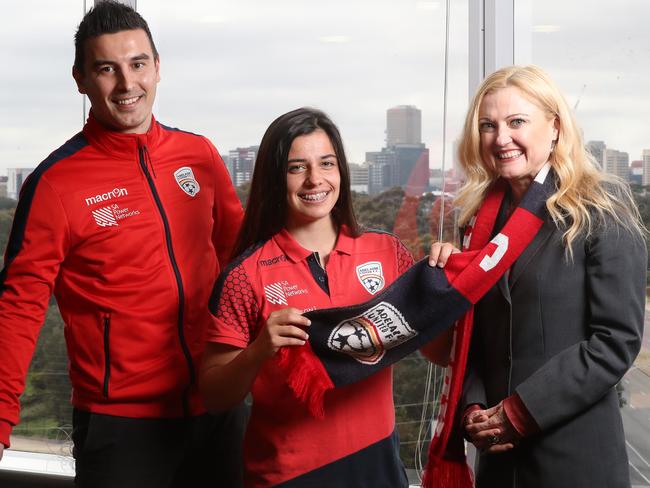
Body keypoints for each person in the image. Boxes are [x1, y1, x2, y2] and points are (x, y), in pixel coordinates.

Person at [0, 2, 246, 487]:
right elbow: (19, 305)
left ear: (158, 67)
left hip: (219, 407)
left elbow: (245, 260)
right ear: (81, 79)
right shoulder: (55, 183)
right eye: (106, 69)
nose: (127, 84)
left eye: (137, 64)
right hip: (121, 425)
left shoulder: (198, 155)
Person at [438, 64, 645, 487]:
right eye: (488, 126)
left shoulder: (603, 214)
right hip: (497, 463)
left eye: (517, 122)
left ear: (554, 126)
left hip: (576, 459)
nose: (501, 138)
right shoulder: (478, 224)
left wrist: (517, 413)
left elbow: (615, 342)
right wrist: (473, 412)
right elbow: (475, 339)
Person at [200, 107, 414, 487]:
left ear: (341, 172)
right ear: (273, 178)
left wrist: (448, 269)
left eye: (327, 163)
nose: (315, 179)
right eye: (297, 167)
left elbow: (439, 347)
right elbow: (214, 395)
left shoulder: (388, 253)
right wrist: (258, 350)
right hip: (289, 474)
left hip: (377, 464)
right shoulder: (244, 276)